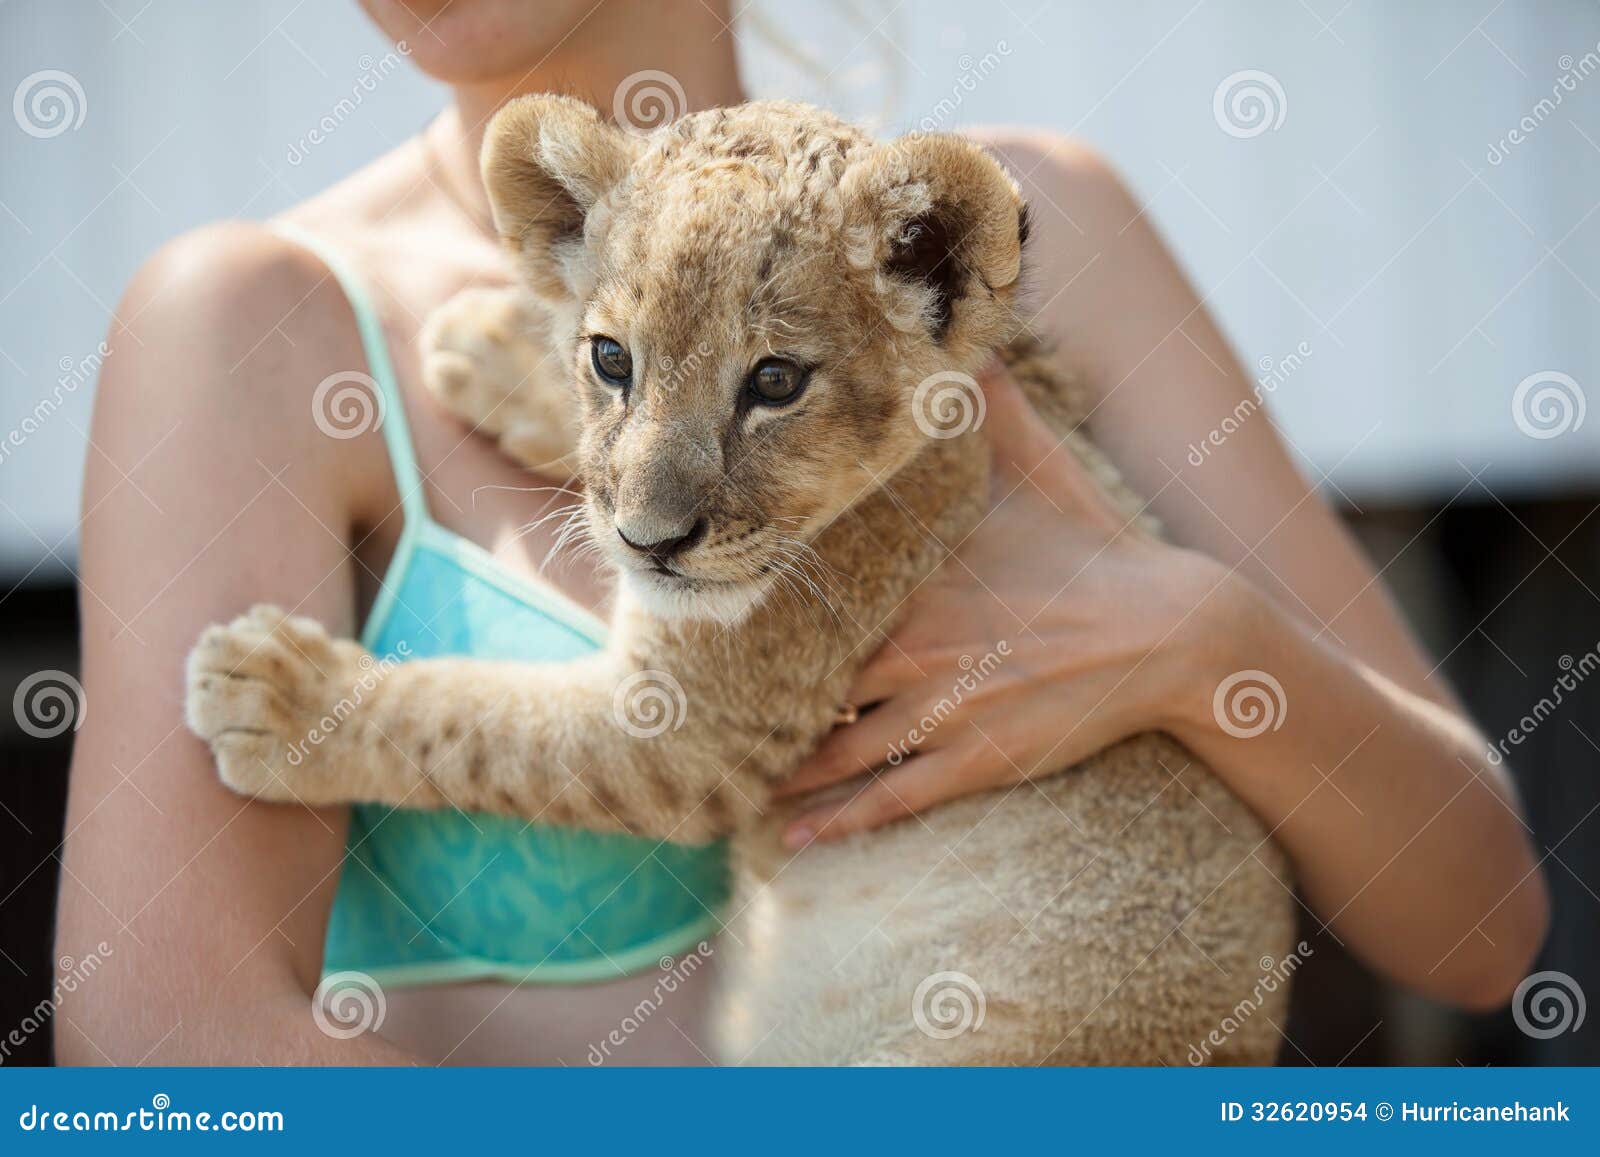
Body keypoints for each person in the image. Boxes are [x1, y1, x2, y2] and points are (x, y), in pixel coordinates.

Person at [55, 0, 1547, 1066]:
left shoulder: (1036, 228)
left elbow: (1481, 925)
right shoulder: (253, 327)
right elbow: (162, 1071)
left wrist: (1191, 640)